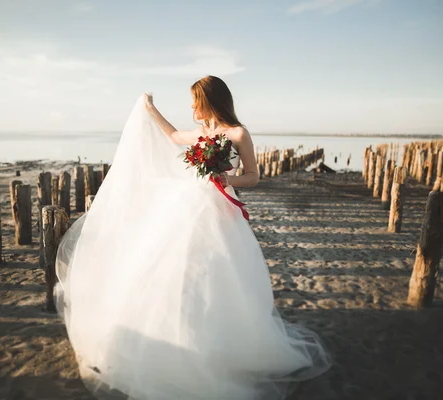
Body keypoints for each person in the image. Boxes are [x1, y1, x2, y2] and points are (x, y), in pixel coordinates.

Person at [55, 75, 331, 400]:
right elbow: (172, 136)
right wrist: (149, 108)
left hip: (220, 213)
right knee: (172, 270)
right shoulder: (202, 133)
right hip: (188, 206)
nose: (191, 107)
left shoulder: (238, 134)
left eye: (194, 101)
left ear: (209, 101)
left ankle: (216, 344)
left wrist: (228, 178)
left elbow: (254, 177)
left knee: (217, 275)